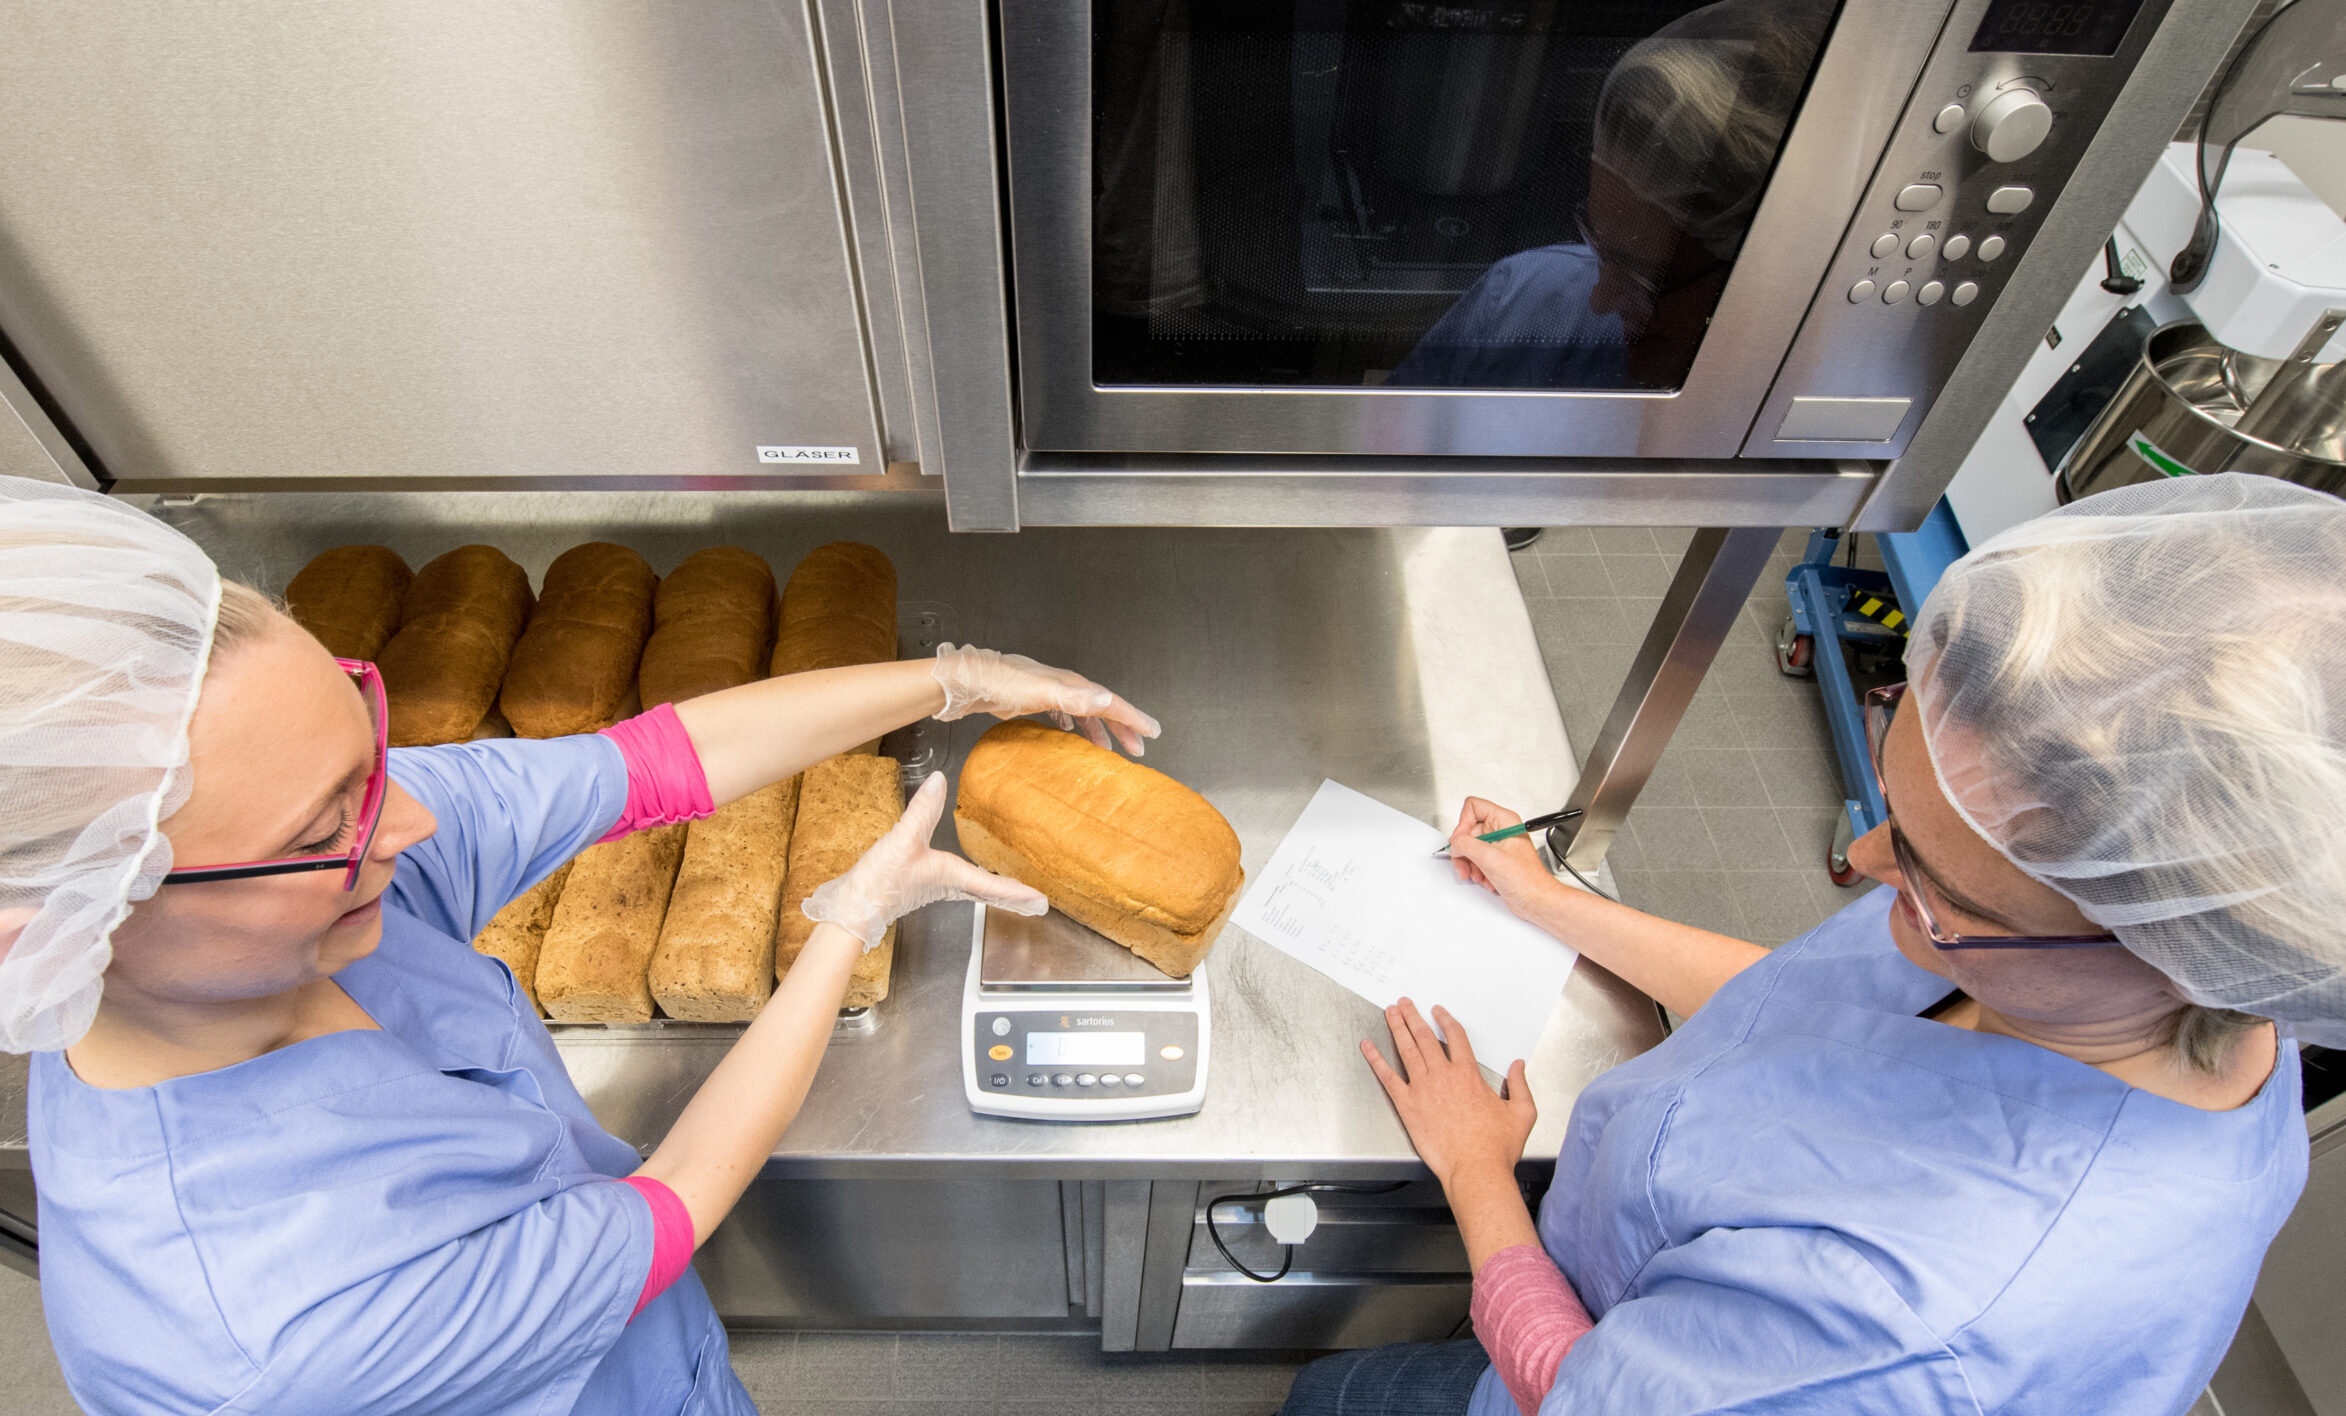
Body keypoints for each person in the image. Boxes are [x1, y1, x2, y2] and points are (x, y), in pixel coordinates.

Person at [0, 475, 1161, 1414]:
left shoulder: (295, 898)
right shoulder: (275, 1324)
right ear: (59, 922)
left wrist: (956, 679)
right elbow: (668, 1207)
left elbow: (648, 766)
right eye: (327, 823)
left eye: (372, 752)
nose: (407, 819)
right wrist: (847, 921)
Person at [1282, 473, 2342, 1416]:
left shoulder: (1907, 1331)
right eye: (1899, 805)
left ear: (2162, 949)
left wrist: (1479, 1177)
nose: (1870, 858)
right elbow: (1812, 1008)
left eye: (1929, 874)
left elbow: (1573, 1389)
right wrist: (1550, 901)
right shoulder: (2170, 979)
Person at [1388, 0, 1834, 392]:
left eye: (1645, 279)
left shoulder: (1818, 428)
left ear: (1776, 278)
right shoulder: (1521, 302)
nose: (1599, 300)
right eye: (1601, 247)